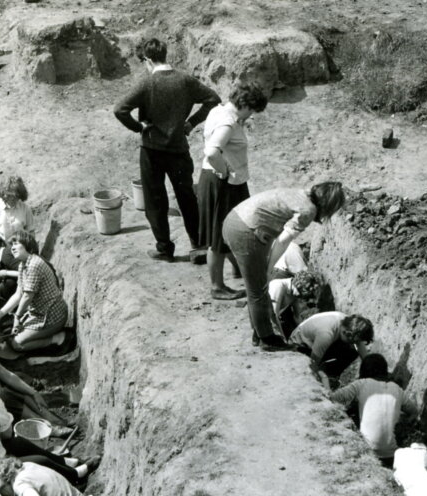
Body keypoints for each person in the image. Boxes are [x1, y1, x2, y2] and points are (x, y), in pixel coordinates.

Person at [113, 37, 220, 261]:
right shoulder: (185, 80)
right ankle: (199, 246)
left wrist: (138, 127)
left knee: (155, 200)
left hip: (151, 150)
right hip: (178, 150)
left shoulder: (147, 84)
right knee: (187, 197)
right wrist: (191, 122)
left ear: (148, 60)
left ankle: (165, 248)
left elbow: (120, 109)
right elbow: (213, 98)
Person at [223, 183, 346, 351]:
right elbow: (283, 242)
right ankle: (267, 339)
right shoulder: (308, 210)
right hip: (246, 231)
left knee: (257, 287)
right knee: (258, 290)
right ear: (328, 205)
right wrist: (268, 267)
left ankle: (258, 333)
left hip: (237, 219)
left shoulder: (301, 193)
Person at [0, 372, 97, 489]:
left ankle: (68, 462)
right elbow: (7, 434)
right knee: (40, 461)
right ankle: (77, 475)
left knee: (16, 444)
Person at [197, 83, 269, 300]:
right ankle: (217, 287)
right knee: (218, 237)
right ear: (245, 105)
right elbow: (211, 152)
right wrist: (224, 171)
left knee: (233, 229)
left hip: (224, 182)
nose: (250, 116)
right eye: (252, 111)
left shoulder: (217, 111)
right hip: (223, 184)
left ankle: (238, 268)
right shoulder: (228, 122)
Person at [0, 231, 68, 356]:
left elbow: (27, 296)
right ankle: (38, 333)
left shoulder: (34, 265)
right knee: (10, 330)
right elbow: (18, 294)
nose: (12, 248)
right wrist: (0, 313)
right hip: (40, 312)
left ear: (27, 245)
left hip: (52, 316)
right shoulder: (23, 265)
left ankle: (57, 338)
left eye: (16, 244)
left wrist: (17, 318)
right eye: (11, 245)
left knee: (17, 343)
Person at [330, 354, 417, 466]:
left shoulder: (361, 384)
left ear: (364, 371)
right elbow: (414, 411)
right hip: (392, 455)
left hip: (368, 451)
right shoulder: (397, 389)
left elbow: (334, 397)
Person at [289, 311, 373, 378]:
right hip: (298, 346)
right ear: (348, 334)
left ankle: (331, 375)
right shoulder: (326, 335)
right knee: (349, 351)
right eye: (354, 341)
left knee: (353, 350)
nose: (355, 343)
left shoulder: (347, 322)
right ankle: (329, 377)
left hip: (313, 342)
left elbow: (362, 349)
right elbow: (313, 363)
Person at [267, 270, 320, 339]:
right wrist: (283, 339)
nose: (298, 294)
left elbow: (297, 317)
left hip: (275, 317)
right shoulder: (278, 286)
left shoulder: (295, 291)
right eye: (299, 291)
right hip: (265, 319)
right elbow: (273, 316)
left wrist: (304, 336)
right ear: (296, 284)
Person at [0, 175, 34, 241]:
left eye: (16, 196)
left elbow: (31, 232)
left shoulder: (25, 209)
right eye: (9, 196)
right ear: (3, 193)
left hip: (19, 248)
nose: (12, 199)